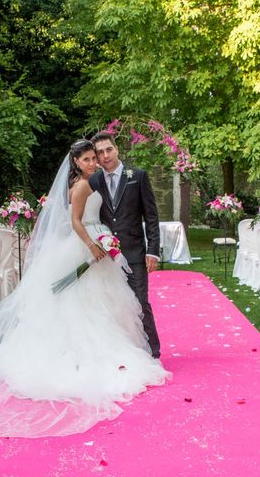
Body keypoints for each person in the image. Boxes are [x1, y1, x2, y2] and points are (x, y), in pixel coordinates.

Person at [0, 139, 169, 438]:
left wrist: (113, 242)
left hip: (106, 246)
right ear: (77, 162)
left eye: (97, 156)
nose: (95, 162)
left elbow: (132, 213)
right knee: (82, 304)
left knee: (114, 302)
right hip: (85, 247)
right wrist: (93, 244)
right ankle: (81, 355)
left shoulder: (103, 180)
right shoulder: (81, 186)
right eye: (89, 158)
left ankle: (138, 348)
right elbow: (76, 221)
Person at [88, 132, 162, 358]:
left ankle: (153, 351)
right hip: (107, 255)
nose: (105, 155)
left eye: (108, 149)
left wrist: (153, 251)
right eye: (100, 152)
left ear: (116, 148)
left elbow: (151, 216)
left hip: (135, 251)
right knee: (114, 304)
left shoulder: (137, 176)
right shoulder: (94, 181)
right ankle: (124, 350)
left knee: (140, 301)